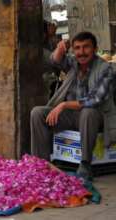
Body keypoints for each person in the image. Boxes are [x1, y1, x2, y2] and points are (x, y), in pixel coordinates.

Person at [30, 31, 116, 180]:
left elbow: (95, 99)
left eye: (86, 47)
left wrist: (63, 105)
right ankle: (41, 165)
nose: (81, 52)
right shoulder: (73, 63)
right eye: (77, 48)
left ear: (94, 49)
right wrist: (60, 48)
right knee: (37, 113)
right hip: (72, 116)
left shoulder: (106, 69)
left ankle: (85, 165)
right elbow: (55, 61)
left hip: (97, 117)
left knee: (88, 111)